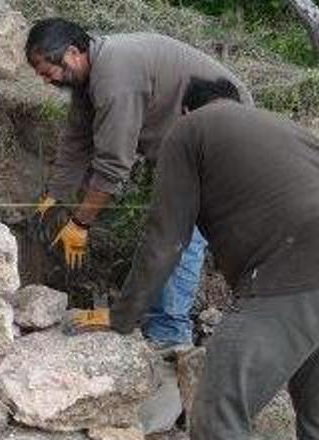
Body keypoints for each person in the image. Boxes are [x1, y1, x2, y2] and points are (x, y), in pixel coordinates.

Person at [72, 77, 319, 440]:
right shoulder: (284, 127)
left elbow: (167, 241)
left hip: (291, 271)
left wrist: (123, 315)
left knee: (220, 413)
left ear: (186, 109)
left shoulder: (190, 129)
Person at [25, 17, 253, 349]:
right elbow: (76, 141)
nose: (48, 81)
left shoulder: (116, 77)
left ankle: (170, 333)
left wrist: (80, 223)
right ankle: (159, 319)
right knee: (169, 228)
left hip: (224, 132)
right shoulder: (92, 76)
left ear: (73, 52)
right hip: (187, 136)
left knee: (181, 232)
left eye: (48, 72)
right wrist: (54, 196)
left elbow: (114, 162)